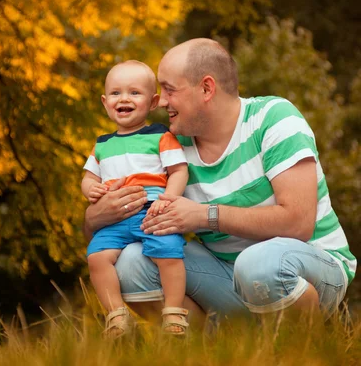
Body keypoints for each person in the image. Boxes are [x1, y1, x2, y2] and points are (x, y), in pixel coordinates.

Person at [84, 39, 356, 323]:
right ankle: (212, 344)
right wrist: (96, 217)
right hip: (225, 275)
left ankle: (304, 348)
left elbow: (298, 223)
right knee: (130, 263)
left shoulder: (274, 119)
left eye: (169, 90)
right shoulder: (171, 146)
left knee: (258, 265)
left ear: (206, 88)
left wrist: (204, 216)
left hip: (311, 265)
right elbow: (118, 232)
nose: (161, 101)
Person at [82, 60, 189, 337]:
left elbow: (178, 170)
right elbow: (88, 177)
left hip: (152, 210)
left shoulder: (159, 136)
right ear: (105, 103)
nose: (124, 98)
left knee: (168, 253)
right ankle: (116, 316)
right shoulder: (103, 143)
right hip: (114, 220)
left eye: (134, 93)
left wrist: (169, 198)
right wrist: (90, 190)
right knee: (97, 257)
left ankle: (174, 314)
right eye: (116, 93)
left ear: (153, 102)